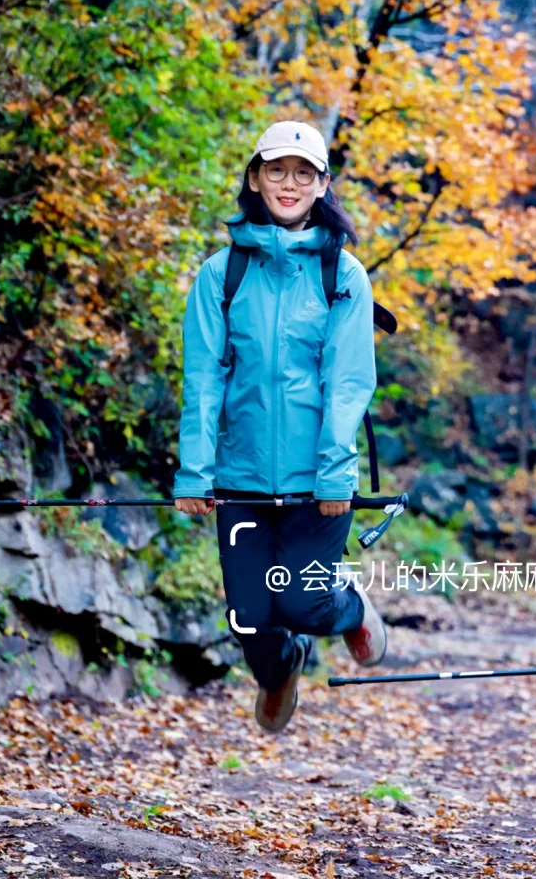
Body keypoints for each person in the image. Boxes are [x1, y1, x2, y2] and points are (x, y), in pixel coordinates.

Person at [173, 120, 387, 734]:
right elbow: (204, 379)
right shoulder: (221, 275)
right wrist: (194, 471)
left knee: (304, 603)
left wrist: (334, 475)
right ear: (254, 178)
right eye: (276, 170)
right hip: (239, 479)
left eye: (303, 173)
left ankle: (352, 608)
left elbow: (347, 382)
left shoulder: (342, 275)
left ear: (323, 184)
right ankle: (280, 669)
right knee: (248, 619)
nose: (288, 183)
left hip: (317, 483)